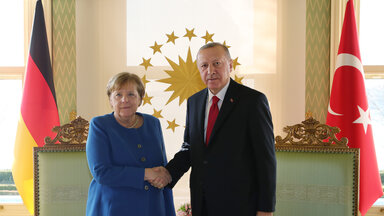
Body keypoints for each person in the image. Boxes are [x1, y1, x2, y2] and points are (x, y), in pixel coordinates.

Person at [158, 42, 277, 216]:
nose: (210, 70)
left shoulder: (253, 101)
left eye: (217, 63)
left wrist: (266, 209)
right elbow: (190, 147)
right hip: (202, 203)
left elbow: (265, 159)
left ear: (230, 65)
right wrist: (168, 173)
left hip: (240, 205)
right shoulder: (194, 102)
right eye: (204, 65)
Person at [85, 72, 175, 216]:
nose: (124, 100)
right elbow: (101, 172)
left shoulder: (153, 123)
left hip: (152, 207)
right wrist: (146, 173)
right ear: (110, 100)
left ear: (140, 99)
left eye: (131, 94)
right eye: (118, 95)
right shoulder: (100, 125)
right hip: (114, 207)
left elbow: (162, 170)